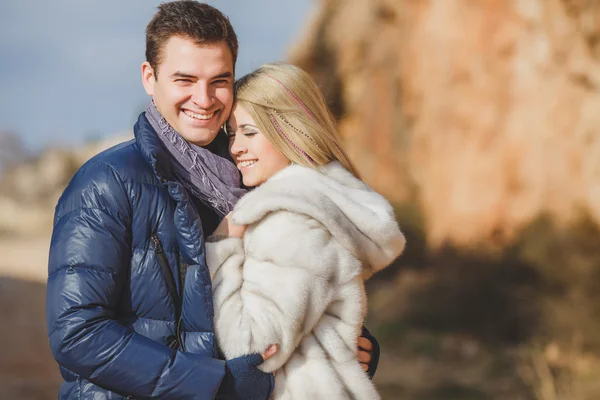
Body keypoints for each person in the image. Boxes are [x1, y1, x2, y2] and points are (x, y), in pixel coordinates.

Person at [46, 2, 379, 399]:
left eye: (219, 80)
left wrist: (341, 345)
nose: (204, 99)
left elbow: (284, 292)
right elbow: (77, 333)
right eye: (184, 80)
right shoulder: (106, 183)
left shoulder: (253, 173)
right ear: (149, 79)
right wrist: (215, 384)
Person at [206, 63, 405, 399]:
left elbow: (252, 347)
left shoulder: (288, 218)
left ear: (289, 130)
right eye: (232, 134)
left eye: (250, 132)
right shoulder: (322, 203)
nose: (236, 147)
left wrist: (222, 245)